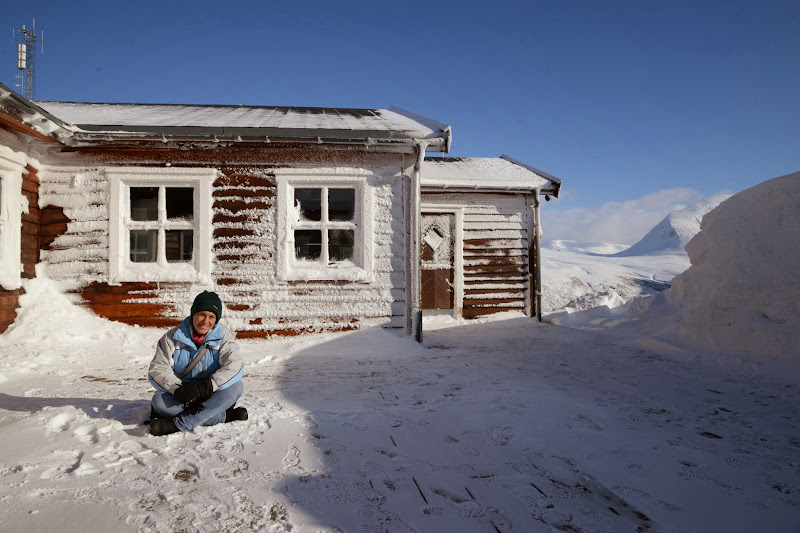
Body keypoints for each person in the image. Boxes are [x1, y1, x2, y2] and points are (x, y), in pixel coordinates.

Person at [147, 290, 247, 436]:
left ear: (216, 319)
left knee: (236, 387)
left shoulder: (224, 337)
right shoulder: (172, 337)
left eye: (211, 316)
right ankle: (225, 416)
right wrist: (177, 389)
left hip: (212, 392)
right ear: (193, 313)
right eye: (202, 314)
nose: (206, 321)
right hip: (184, 395)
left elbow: (235, 366)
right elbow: (157, 369)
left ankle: (179, 424)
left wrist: (210, 385)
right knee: (159, 402)